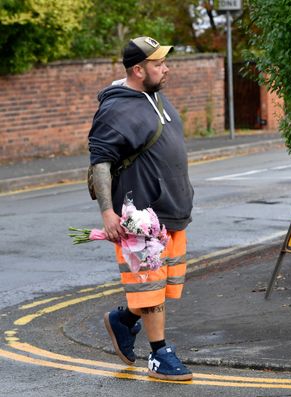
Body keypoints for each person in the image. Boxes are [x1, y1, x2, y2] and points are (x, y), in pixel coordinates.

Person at [88, 36, 194, 381]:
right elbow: (101, 162)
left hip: (172, 213)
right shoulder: (117, 108)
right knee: (149, 288)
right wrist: (108, 213)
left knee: (163, 285)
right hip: (141, 218)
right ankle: (159, 354)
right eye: (158, 63)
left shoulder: (155, 97)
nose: (166, 68)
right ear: (138, 69)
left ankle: (124, 320)